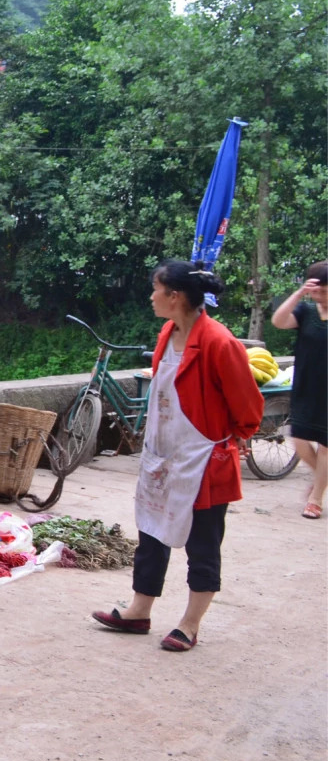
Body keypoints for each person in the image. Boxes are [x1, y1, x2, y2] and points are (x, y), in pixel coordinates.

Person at [92, 261, 263, 651]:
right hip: (163, 455)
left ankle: (189, 623)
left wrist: (222, 446)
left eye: (156, 288)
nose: (151, 296)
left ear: (175, 296)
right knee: (152, 533)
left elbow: (249, 410)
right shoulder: (168, 332)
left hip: (202, 461)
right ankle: (139, 610)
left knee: (203, 543)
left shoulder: (219, 343)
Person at [269, 260, 327, 519]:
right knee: (300, 439)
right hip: (306, 385)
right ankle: (320, 480)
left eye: (323, 291)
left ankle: (315, 499)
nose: (319, 296)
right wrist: (298, 294)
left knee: (326, 445)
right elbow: (279, 321)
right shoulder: (305, 312)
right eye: (315, 291)